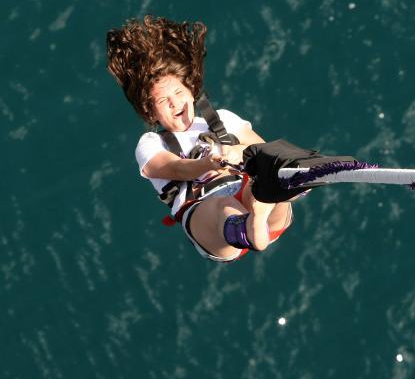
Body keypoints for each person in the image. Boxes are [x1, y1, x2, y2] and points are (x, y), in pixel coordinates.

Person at [106, 16, 294, 263]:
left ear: (191, 91)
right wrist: (210, 164)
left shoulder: (223, 119)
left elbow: (263, 149)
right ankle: (254, 219)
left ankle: (273, 200)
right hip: (208, 216)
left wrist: (240, 151)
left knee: (268, 175)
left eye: (178, 92)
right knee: (222, 205)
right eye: (163, 101)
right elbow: (173, 167)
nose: (174, 103)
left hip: (253, 198)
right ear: (150, 112)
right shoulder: (151, 143)